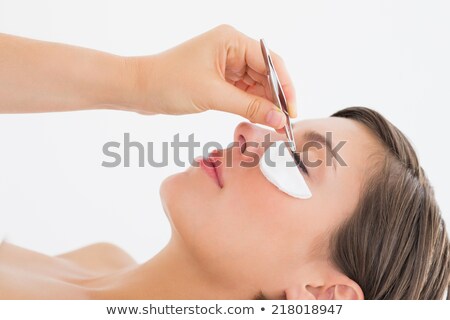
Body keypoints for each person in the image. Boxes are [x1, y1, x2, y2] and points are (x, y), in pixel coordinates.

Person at [0, 26, 448, 300]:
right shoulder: (98, 257)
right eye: (276, 133)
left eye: (293, 159)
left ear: (320, 294)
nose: (245, 132)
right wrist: (140, 81)